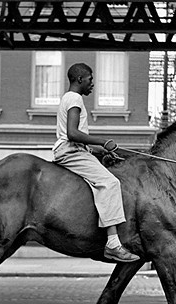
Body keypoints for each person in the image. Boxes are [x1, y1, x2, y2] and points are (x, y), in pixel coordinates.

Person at [53, 62, 140, 263]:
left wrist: (99, 151)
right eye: (91, 80)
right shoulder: (75, 98)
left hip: (71, 150)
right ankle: (112, 243)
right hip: (70, 151)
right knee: (110, 183)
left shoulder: (68, 98)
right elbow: (72, 134)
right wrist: (103, 141)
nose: (93, 84)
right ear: (80, 79)